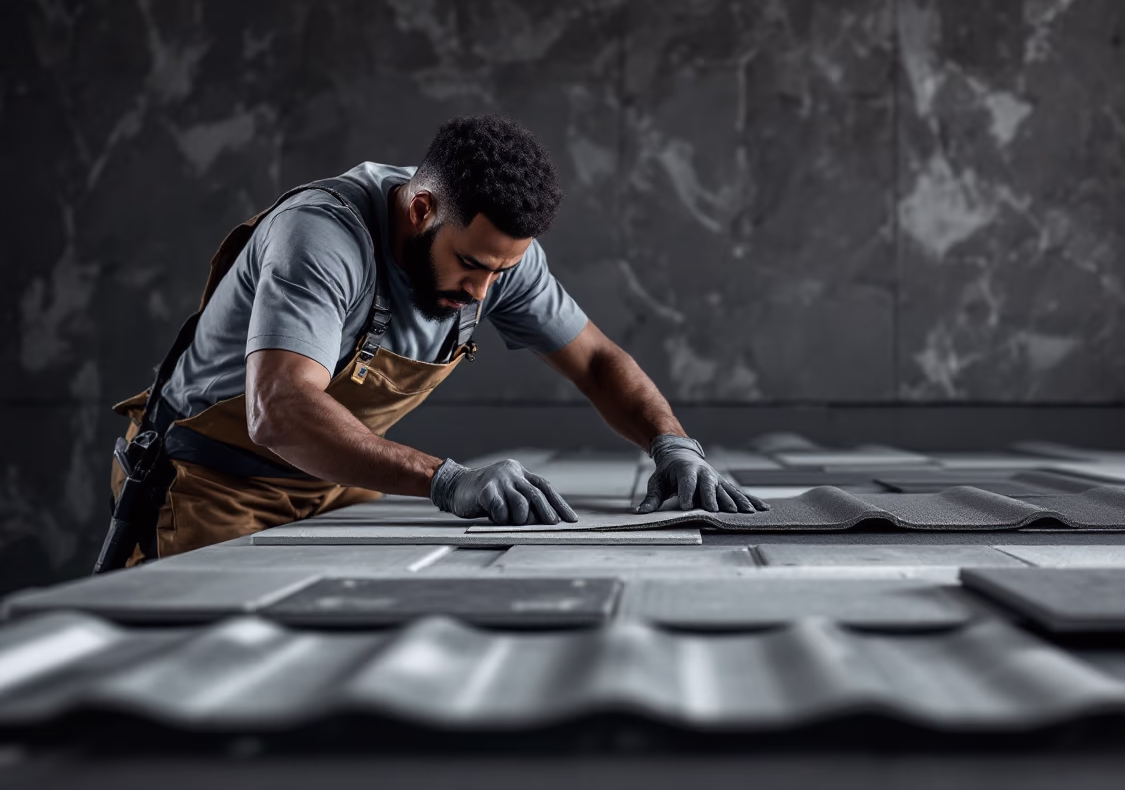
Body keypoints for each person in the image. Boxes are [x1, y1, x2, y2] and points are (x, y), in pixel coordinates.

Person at [108, 115, 767, 563]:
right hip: (210, 486)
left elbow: (595, 361)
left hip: (333, 487)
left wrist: (672, 445)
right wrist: (447, 480)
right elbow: (279, 412)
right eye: (472, 266)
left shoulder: (497, 255)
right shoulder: (323, 237)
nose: (483, 291)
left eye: (501, 271)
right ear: (421, 208)